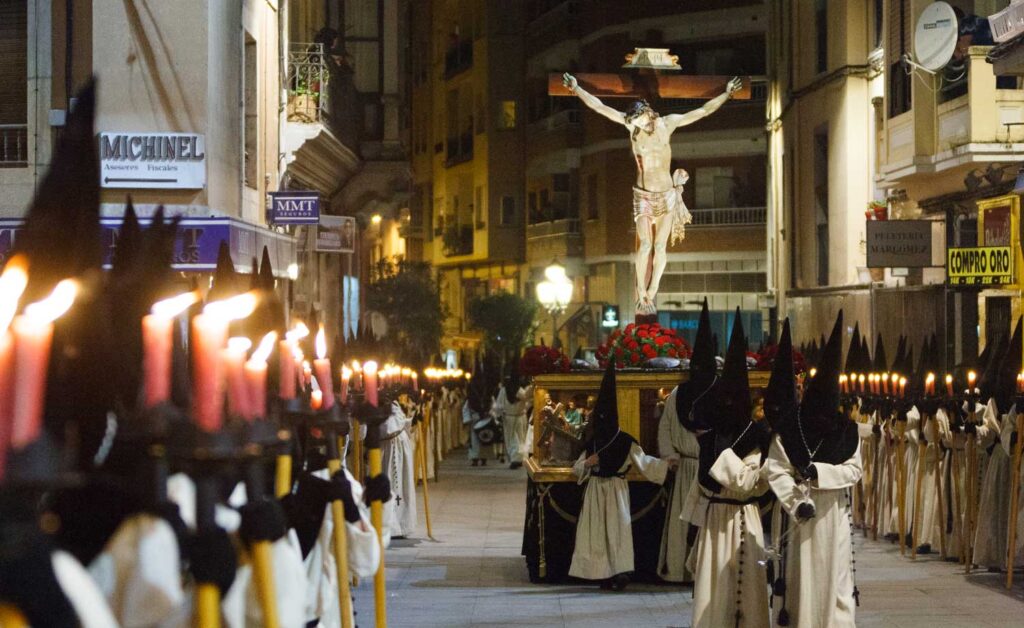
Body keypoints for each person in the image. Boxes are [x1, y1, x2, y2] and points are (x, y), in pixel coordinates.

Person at [562, 72, 741, 314]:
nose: (643, 126)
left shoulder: (668, 123)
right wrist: (576, 89)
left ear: (649, 111)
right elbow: (601, 107)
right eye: (637, 124)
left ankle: (652, 290)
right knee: (644, 245)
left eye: (644, 120)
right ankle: (642, 293)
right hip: (643, 195)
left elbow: (702, 111)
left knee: (660, 246)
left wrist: (726, 94)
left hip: (666, 194)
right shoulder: (632, 128)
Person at [766, 311, 862, 627]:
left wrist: (818, 473)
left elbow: (853, 470)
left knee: (831, 576)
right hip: (800, 515)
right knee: (800, 578)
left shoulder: (846, 431)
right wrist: (796, 502)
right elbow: (777, 469)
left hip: (832, 514)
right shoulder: (791, 428)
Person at [687, 310, 771, 628]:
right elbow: (709, 481)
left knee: (748, 588)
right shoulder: (713, 440)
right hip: (717, 519)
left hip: (745, 517)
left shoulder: (755, 438)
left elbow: (751, 484)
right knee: (715, 592)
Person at [568, 361, 675, 590]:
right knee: (597, 533)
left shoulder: (625, 441)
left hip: (616, 490)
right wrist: (588, 462)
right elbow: (577, 468)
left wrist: (665, 465)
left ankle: (620, 573)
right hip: (596, 490)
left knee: (617, 532)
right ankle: (603, 573)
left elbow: (643, 462)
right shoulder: (594, 441)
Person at [655, 298, 713, 584]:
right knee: (682, 522)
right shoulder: (678, 394)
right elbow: (666, 428)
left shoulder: (722, 394)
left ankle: (704, 572)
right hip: (688, 468)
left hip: (714, 471)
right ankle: (679, 570)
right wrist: (670, 456)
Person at [381, 389, 418, 538]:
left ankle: (402, 524)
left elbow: (399, 423)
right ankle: (392, 525)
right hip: (387, 449)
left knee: (401, 487)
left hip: (399, 447)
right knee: (390, 485)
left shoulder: (394, 405)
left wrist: (412, 419)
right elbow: (387, 428)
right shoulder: (379, 406)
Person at [495, 365, 531, 469]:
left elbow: (498, 404)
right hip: (518, 417)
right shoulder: (520, 390)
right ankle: (517, 458)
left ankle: (516, 458)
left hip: (510, 417)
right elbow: (526, 399)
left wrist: (498, 415)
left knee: (512, 438)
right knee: (519, 438)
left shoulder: (504, 390)